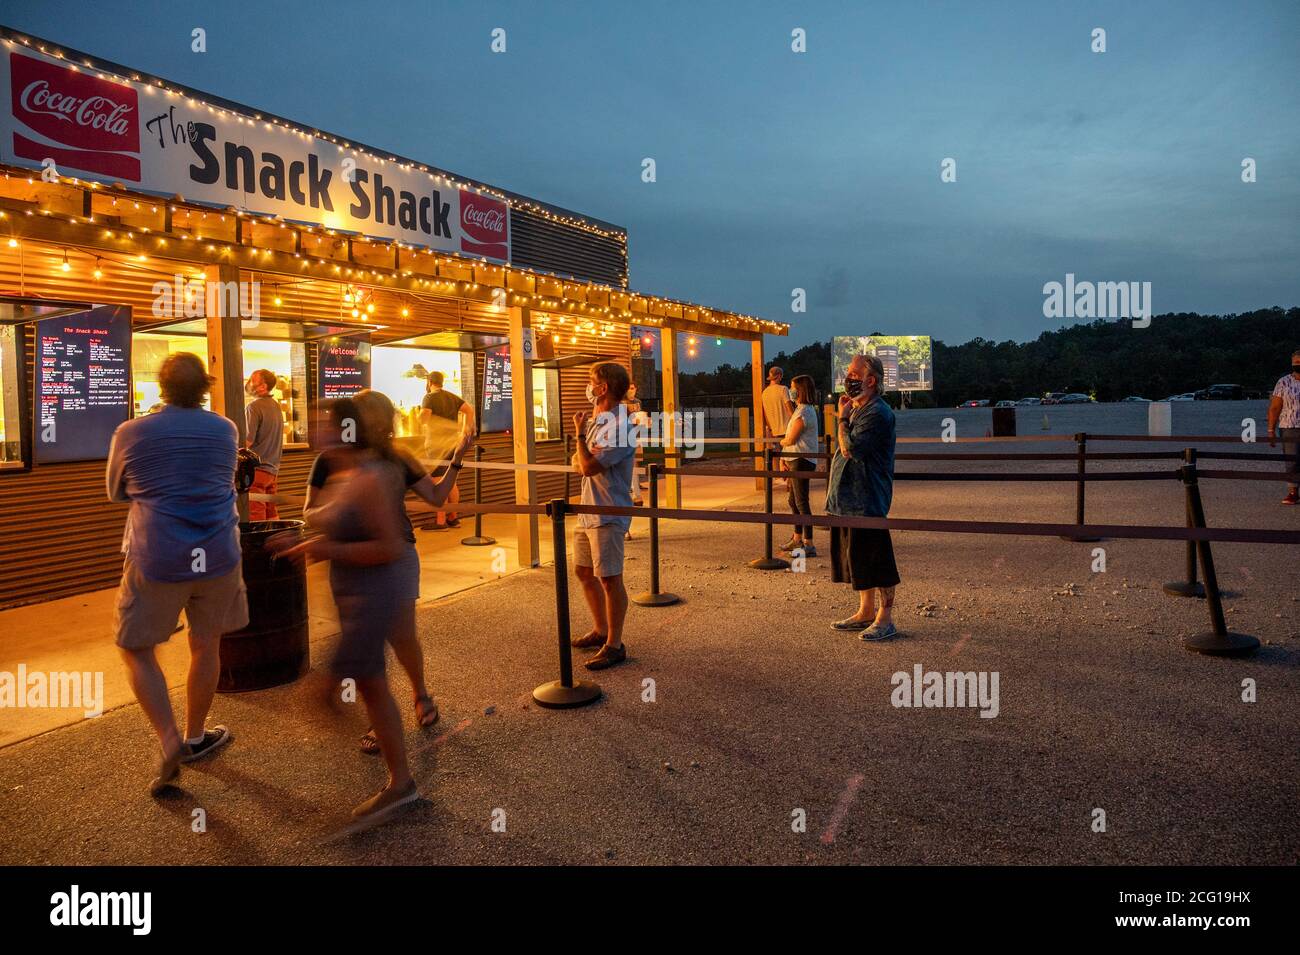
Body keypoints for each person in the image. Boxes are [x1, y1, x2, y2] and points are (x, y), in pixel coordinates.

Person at [280, 390, 470, 822]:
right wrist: (319, 533)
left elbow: (435, 501)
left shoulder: (386, 463)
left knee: (394, 644)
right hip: (358, 575)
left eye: (329, 421)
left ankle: (412, 712)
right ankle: (392, 748)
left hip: (388, 569)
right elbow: (312, 512)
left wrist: (458, 454)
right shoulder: (333, 462)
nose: (320, 428)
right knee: (367, 673)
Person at [106, 353, 248, 796]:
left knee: (135, 646)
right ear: (204, 387)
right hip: (220, 553)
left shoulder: (131, 431)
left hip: (158, 556)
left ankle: (168, 738)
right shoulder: (225, 428)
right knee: (206, 644)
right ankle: (194, 736)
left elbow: (115, 492)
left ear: (161, 387)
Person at [825, 354, 901, 640]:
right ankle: (865, 610)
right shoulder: (859, 408)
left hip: (867, 500)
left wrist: (842, 419)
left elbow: (850, 449)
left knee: (877, 558)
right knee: (856, 557)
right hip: (847, 500)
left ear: (871, 380)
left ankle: (885, 617)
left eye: (854, 373)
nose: (848, 378)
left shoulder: (878, 413)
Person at [570, 362, 636, 670]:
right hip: (587, 508)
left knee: (609, 578)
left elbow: (587, 466)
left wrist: (579, 437)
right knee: (584, 572)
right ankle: (600, 630)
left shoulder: (620, 427)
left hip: (608, 511)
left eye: (591, 381)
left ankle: (615, 644)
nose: (588, 386)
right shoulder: (599, 419)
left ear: (604, 387)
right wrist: (584, 447)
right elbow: (578, 461)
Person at [419, 371, 475, 529]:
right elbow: (469, 410)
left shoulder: (429, 397)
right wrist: (465, 430)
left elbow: (424, 417)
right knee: (451, 481)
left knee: (438, 481)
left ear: (430, 382)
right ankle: (453, 518)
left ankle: (441, 521)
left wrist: (419, 417)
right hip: (452, 443)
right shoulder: (451, 396)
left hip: (437, 445)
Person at [779, 373, 820, 557]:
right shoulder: (799, 409)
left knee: (801, 501)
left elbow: (791, 438)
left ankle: (808, 543)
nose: (791, 391)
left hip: (801, 461)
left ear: (801, 390)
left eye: (793, 387)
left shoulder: (805, 412)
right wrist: (784, 458)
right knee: (793, 500)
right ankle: (797, 539)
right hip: (794, 459)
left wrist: (781, 444)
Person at [244, 368, 284, 520]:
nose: (248, 384)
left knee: (257, 518)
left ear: (263, 387)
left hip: (256, 471)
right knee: (272, 516)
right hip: (273, 471)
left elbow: (247, 441)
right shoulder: (276, 406)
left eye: (252, 381)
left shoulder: (253, 407)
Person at [1266, 349, 1300, 505]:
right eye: (1296, 362)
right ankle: (1293, 492)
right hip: (1290, 426)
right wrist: (1271, 430)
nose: (1298, 365)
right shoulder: (1283, 382)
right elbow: (1275, 407)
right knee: (1292, 461)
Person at [761, 365, 794, 444]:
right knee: (788, 454)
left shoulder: (764, 393)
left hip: (773, 430)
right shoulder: (783, 389)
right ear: (779, 376)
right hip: (786, 429)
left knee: (775, 454)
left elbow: (765, 414)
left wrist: (770, 429)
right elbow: (790, 410)